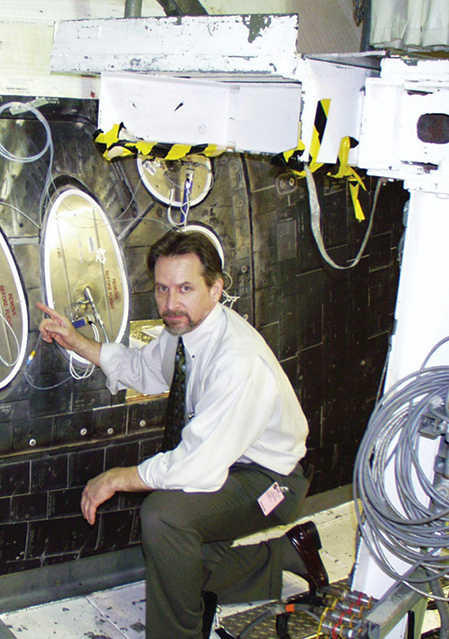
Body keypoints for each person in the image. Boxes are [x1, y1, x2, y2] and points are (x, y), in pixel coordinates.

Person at [37, 229, 329, 639]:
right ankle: (287, 553)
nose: (171, 304)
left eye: (185, 288)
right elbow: (142, 369)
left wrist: (116, 477)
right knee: (181, 570)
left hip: (272, 481)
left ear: (216, 289)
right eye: (162, 288)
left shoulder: (237, 363)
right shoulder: (185, 332)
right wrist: (76, 341)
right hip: (230, 467)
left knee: (164, 519)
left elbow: (196, 466)